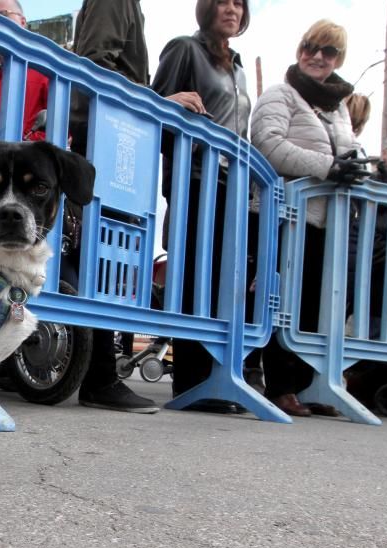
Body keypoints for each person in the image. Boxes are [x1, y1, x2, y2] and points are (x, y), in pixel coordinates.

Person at [250, 19, 366, 418]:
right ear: (300, 51)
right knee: (283, 302)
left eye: (328, 51)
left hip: (326, 223)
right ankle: (280, 387)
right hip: (286, 216)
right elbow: (267, 143)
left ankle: (309, 384)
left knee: (317, 305)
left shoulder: (339, 109)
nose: (317, 57)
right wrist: (328, 167)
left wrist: (355, 166)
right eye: (310, 48)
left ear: (339, 59)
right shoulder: (280, 94)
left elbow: (345, 152)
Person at [151, 0, 252, 414]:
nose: (232, 9)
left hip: (231, 185)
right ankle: (191, 381)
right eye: (224, 1)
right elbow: (153, 106)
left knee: (223, 281)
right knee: (194, 276)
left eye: (240, 4)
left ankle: (215, 378)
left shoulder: (238, 66)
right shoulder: (184, 49)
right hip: (194, 178)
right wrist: (172, 102)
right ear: (207, 7)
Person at [66, 0, 159, 414]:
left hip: (114, 129)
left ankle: (99, 373)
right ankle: (99, 375)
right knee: (100, 255)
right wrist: (153, 99)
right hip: (110, 130)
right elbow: (96, 63)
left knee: (105, 256)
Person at [0, 0, 48, 142]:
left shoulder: (45, 68)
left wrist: (24, 143)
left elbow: (61, 129)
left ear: (22, 22)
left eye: (2, 15)